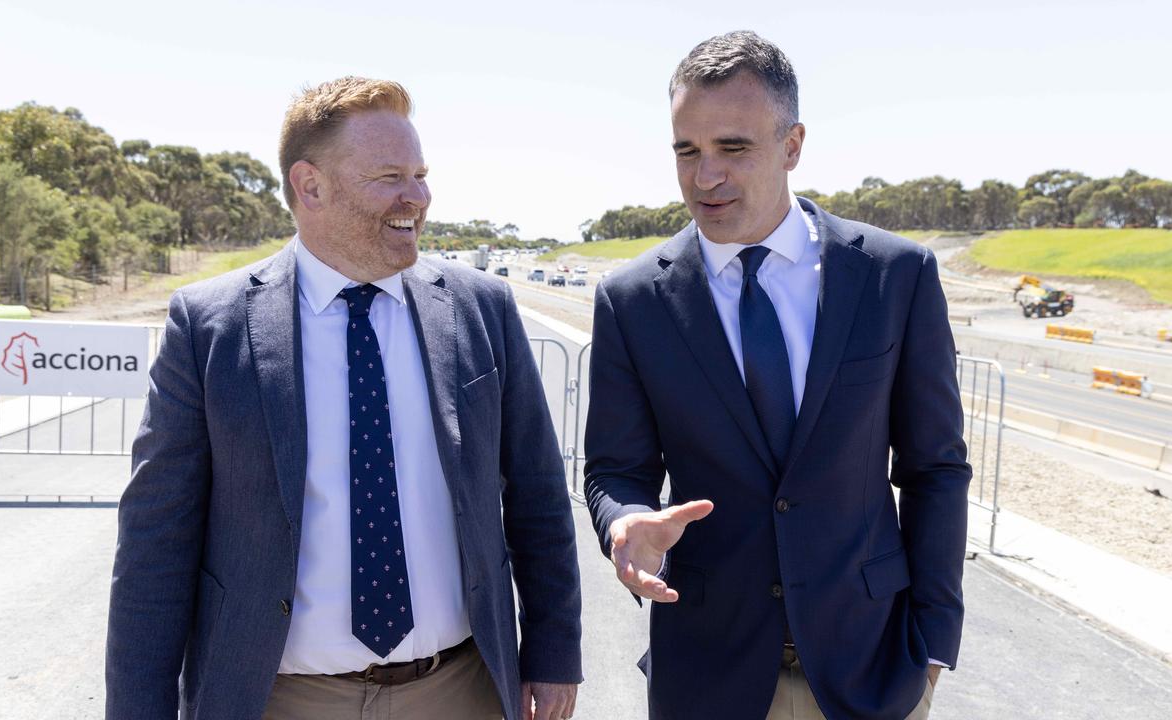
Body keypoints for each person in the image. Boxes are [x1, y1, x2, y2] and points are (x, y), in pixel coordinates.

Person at [106, 77, 581, 720]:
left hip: (458, 691)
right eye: (390, 176)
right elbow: (155, 541)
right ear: (311, 186)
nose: (417, 196)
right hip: (277, 698)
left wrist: (552, 655)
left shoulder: (481, 307)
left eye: (420, 173)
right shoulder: (209, 326)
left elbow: (538, 497)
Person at [584, 32, 972, 720]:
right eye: (686, 151)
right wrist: (626, 520)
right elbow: (614, 469)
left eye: (733, 149)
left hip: (874, 668)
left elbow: (935, 466)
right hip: (708, 672)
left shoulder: (894, 276)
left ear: (792, 145)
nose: (704, 177)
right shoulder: (633, 299)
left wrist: (936, 641)